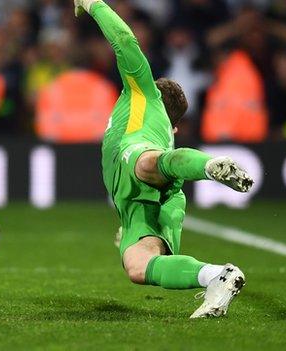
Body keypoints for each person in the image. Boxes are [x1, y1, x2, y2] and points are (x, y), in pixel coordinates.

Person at [74, 0, 254, 318]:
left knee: (146, 162)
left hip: (138, 160)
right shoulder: (167, 128)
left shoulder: (143, 92)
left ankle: (210, 165)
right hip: (154, 200)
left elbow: (125, 41)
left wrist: (93, 5)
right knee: (138, 267)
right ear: (176, 125)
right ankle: (217, 275)